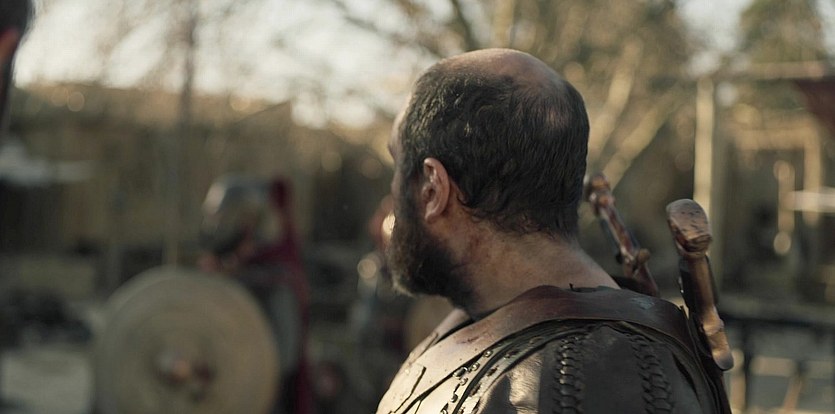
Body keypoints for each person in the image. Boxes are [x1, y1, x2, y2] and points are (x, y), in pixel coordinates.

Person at [377, 48, 730, 414]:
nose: (391, 197)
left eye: (396, 166)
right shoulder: (476, 318)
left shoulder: (602, 377)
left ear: (433, 189)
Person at [198, 175, 312, 414]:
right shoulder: (229, 270)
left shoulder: (275, 277)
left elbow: (284, 356)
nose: (214, 225)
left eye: (220, 217)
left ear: (245, 220)